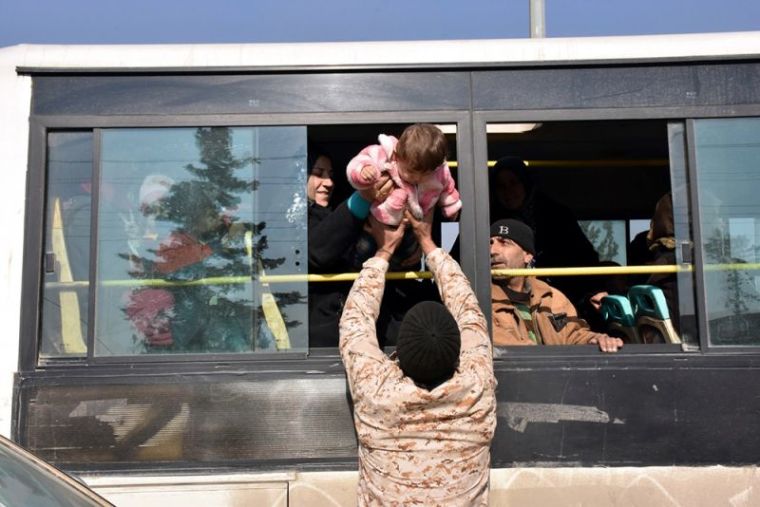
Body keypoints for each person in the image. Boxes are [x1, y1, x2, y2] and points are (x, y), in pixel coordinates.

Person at [339, 209, 496, 505]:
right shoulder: (476, 387)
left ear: (400, 352)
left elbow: (355, 321)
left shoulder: (377, 391)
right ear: (456, 353)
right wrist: (429, 243)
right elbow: (469, 311)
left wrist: (384, 251)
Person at [490, 218, 623, 352]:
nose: (492, 251)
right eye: (490, 243)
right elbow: (487, 337)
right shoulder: (478, 299)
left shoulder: (551, 296)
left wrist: (596, 339)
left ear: (527, 255)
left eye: (504, 243)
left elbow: (572, 335)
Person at [489, 156, 602, 308]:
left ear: (526, 184)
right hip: (504, 298)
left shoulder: (555, 214)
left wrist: (593, 291)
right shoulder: (486, 219)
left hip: (559, 294)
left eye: (513, 183)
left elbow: (584, 257)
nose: (508, 191)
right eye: (501, 186)